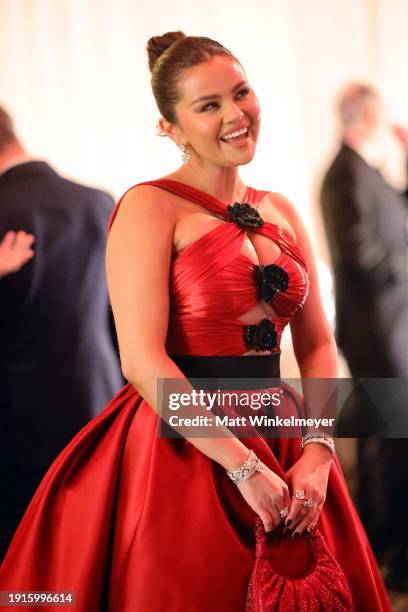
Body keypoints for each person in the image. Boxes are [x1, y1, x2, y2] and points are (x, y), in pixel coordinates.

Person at [0, 35, 390, 611]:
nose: (236, 114)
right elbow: (140, 359)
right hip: (184, 444)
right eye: (209, 106)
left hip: (283, 428)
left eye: (242, 92)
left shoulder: (281, 208)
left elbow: (317, 344)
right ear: (171, 127)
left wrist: (318, 449)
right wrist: (244, 467)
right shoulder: (147, 207)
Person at [0, 105, 124, 560]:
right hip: (100, 405)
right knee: (98, 554)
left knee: (32, 567)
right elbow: (119, 316)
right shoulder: (98, 201)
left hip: (17, 432)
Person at [320, 83, 408, 589]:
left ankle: (392, 539)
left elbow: (400, 206)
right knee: (387, 436)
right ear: (367, 116)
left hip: (391, 322)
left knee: (394, 435)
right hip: (373, 327)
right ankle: (382, 544)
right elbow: (360, 252)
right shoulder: (343, 174)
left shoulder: (368, 168)